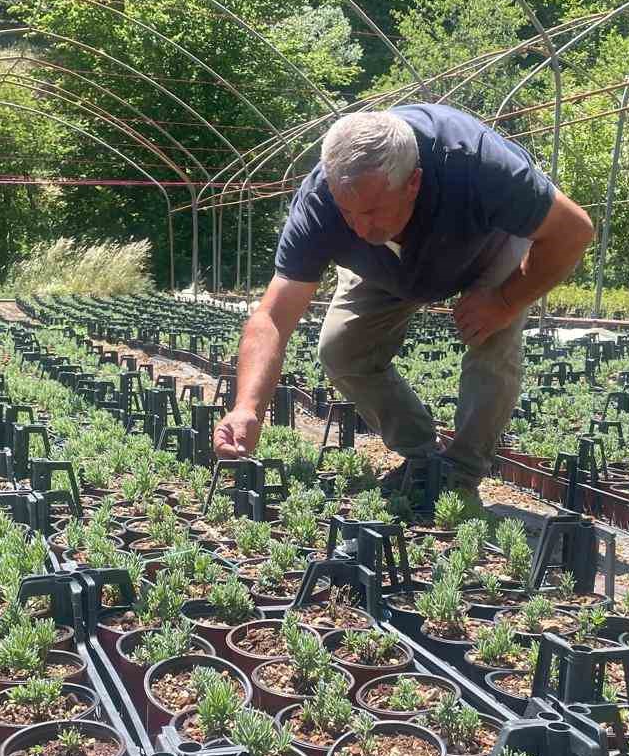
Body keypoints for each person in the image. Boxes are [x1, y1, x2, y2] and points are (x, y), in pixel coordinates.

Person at [212, 103, 595, 504]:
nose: (360, 227)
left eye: (373, 210)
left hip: (485, 244)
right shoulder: (320, 201)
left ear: (413, 183)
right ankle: (424, 459)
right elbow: (273, 317)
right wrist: (247, 408)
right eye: (347, 212)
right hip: (385, 268)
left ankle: (460, 477)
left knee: (493, 343)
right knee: (341, 350)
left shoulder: (477, 164)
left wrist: (504, 300)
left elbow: (573, 230)